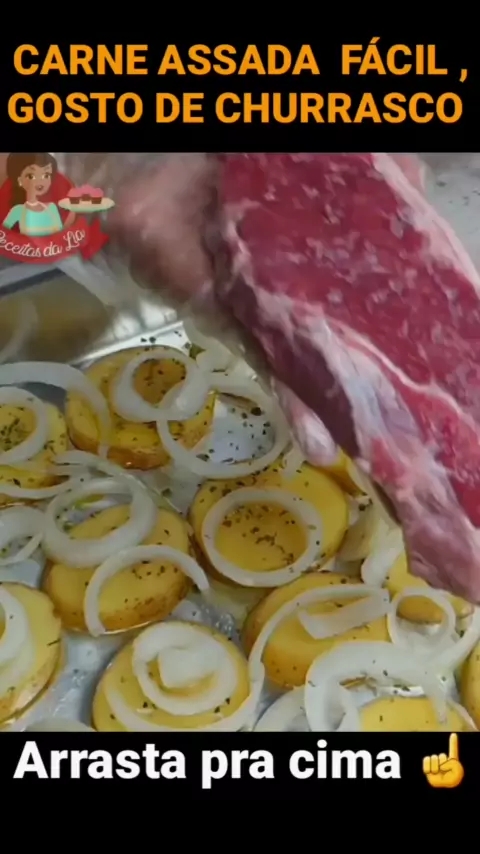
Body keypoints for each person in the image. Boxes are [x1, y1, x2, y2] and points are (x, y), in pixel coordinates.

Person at [1, 152, 75, 237]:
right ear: (19, 180)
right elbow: (4, 235)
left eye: (46, 175)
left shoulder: (52, 207)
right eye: (31, 176)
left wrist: (72, 214)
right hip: (24, 245)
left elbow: (60, 234)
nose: (40, 181)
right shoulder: (17, 210)